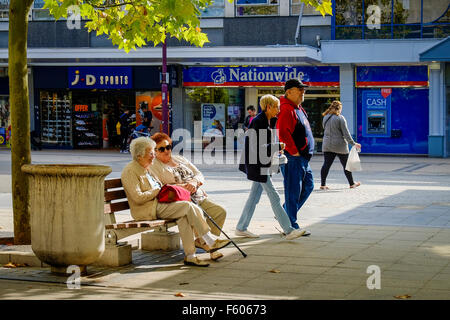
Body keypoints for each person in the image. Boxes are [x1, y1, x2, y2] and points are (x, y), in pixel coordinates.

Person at [121, 137, 231, 267]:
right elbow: (138, 197)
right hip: (147, 210)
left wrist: (161, 190)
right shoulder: (130, 171)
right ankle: (210, 241)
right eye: (151, 153)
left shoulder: (145, 167)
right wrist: (158, 190)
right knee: (188, 206)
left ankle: (190, 256)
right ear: (140, 155)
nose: (153, 156)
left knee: (184, 216)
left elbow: (194, 175)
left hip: (159, 204)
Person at [236, 95, 306, 240]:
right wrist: (277, 146)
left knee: (253, 198)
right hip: (257, 164)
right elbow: (258, 147)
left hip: (262, 163)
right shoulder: (258, 122)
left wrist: (276, 148)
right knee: (274, 196)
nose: (279, 110)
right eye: (276, 107)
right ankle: (289, 230)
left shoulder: (268, 121)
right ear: (268, 107)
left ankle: (241, 227)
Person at [150, 132, 227, 261]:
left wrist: (194, 182)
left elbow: (198, 173)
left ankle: (203, 241)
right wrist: (183, 186)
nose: (166, 151)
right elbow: (161, 187)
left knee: (220, 211)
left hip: (198, 195)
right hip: (182, 199)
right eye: (161, 149)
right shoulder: (154, 166)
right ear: (154, 151)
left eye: (168, 147)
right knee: (198, 214)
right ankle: (210, 246)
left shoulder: (179, 159)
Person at [276, 78, 313, 235]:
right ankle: (290, 226)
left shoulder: (297, 108)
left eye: (303, 89)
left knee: (308, 186)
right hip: (293, 158)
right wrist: (294, 151)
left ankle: (284, 215)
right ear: (289, 91)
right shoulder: (286, 109)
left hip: (302, 158)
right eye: (300, 89)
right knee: (292, 191)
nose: (303, 91)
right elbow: (282, 132)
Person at [320, 100, 362, 189]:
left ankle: (323, 185)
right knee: (346, 165)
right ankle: (351, 183)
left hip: (327, 144)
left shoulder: (325, 117)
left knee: (326, 165)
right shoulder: (340, 118)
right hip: (339, 145)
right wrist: (353, 143)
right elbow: (346, 133)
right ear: (339, 108)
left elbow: (324, 129)